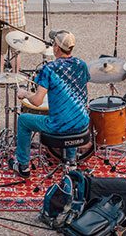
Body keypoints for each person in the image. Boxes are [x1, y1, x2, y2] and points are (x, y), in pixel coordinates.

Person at [10, 31, 89, 177]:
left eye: (53, 43)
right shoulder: (81, 65)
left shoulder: (50, 69)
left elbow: (37, 101)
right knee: (71, 114)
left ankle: (23, 166)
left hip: (59, 127)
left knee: (23, 120)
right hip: (83, 123)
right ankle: (71, 162)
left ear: (57, 48)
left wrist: (25, 93)